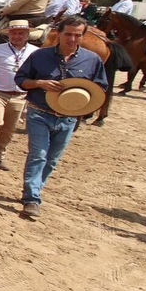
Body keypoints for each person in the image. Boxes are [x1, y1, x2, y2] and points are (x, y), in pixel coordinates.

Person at [14, 15, 107, 219]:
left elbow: (100, 88)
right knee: (38, 155)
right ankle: (32, 198)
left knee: (52, 159)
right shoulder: (40, 56)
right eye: (68, 34)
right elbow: (20, 79)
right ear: (59, 34)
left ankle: (35, 188)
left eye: (77, 35)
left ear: (83, 36)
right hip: (40, 111)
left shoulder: (92, 60)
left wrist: (82, 103)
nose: (72, 39)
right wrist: (39, 83)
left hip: (68, 117)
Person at [0, 18, 36, 168]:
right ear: (9, 34)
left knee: (9, 128)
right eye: (13, 33)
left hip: (20, 95)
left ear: (27, 34)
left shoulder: (35, 52)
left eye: (21, 33)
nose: (17, 36)